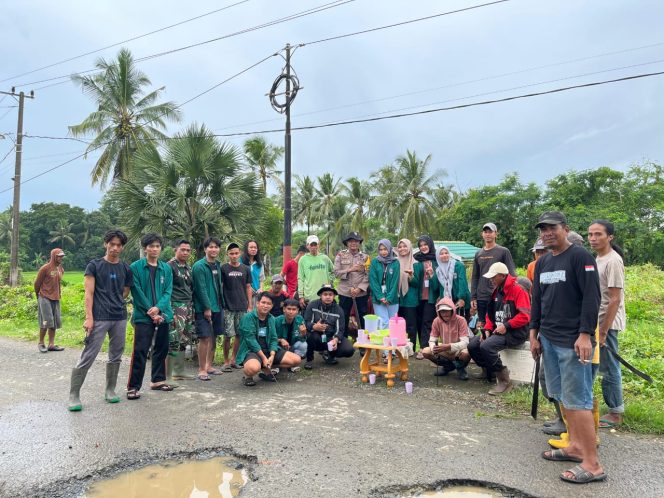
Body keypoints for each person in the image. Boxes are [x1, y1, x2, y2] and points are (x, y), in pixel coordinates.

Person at [529, 211, 605, 484]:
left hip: (573, 342)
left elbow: (591, 298)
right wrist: (534, 334)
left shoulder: (580, 257)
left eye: (552, 228)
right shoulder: (544, 262)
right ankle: (574, 447)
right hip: (548, 339)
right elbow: (538, 300)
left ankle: (593, 464)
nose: (547, 233)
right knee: (562, 396)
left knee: (579, 401)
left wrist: (585, 334)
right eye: (543, 229)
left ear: (565, 229)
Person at [67, 230, 133, 412]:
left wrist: (115, 300)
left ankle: (110, 390)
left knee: (116, 354)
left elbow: (126, 291)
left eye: (119, 245)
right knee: (89, 354)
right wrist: (89, 317)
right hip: (99, 317)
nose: (115, 248)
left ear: (122, 247)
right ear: (106, 244)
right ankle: (74, 395)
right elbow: (88, 293)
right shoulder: (94, 266)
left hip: (119, 317)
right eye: (112, 244)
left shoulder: (126, 268)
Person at [467, 262, 530, 394]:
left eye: (493, 277)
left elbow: (526, 316)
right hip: (498, 331)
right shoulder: (496, 291)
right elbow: (491, 315)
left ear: (502, 276)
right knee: (473, 345)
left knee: (487, 346)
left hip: (515, 332)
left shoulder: (518, 290)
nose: (491, 280)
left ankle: (504, 381)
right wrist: (488, 330)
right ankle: (488, 371)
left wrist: (507, 326)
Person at [126, 233, 174, 400]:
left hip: (163, 314)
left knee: (161, 348)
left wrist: (159, 309)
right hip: (143, 315)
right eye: (151, 246)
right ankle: (133, 386)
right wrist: (150, 309)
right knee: (140, 350)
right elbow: (136, 291)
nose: (154, 249)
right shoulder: (135, 267)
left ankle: (158, 380)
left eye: (157, 246)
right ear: (145, 248)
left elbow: (168, 291)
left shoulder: (166, 268)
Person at [589, 219, 626, 429]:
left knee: (610, 366)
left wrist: (603, 331)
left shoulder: (613, 260)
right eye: (591, 234)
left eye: (598, 234)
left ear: (610, 237)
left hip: (607, 323)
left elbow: (614, 299)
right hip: (597, 321)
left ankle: (615, 411)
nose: (593, 239)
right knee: (599, 365)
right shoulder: (598, 258)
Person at [236, 292, 302, 386]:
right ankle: (248, 376)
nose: (265, 306)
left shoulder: (271, 318)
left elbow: (273, 338)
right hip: (251, 351)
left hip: (267, 349)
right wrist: (263, 358)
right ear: (257, 303)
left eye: (269, 304)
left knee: (296, 360)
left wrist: (272, 355)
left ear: (272, 306)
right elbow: (251, 341)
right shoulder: (248, 318)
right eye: (263, 302)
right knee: (253, 368)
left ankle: (265, 370)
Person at [470, 222, 517, 329]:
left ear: (496, 234)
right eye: (485, 232)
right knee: (483, 326)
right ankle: (484, 344)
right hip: (482, 296)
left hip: (499, 295)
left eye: (490, 232)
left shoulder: (503, 251)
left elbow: (511, 274)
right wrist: (473, 297)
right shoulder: (478, 253)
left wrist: (511, 293)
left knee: (499, 324)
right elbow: (475, 276)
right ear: (482, 234)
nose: (488, 234)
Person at [192, 237, 225, 381]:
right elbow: (201, 288)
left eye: (216, 247)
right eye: (210, 247)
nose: (214, 249)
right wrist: (207, 307)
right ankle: (201, 369)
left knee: (213, 336)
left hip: (217, 306)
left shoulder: (217, 265)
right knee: (204, 337)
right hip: (204, 308)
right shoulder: (199, 266)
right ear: (205, 249)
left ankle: (209, 365)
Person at [303, 284, 354, 369]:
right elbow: (306, 322)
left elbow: (340, 330)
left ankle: (330, 355)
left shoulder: (339, 310)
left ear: (334, 296)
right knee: (310, 335)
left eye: (330, 295)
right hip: (316, 335)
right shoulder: (312, 305)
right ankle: (309, 359)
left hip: (330, 337)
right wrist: (314, 326)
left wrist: (336, 339)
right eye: (325, 294)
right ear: (320, 295)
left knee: (349, 350)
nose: (328, 297)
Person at [166, 240, 196, 384]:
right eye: (182, 249)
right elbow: (166, 289)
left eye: (188, 250)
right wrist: (170, 311)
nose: (185, 252)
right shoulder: (169, 266)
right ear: (175, 250)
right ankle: (168, 375)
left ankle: (179, 371)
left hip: (188, 305)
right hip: (175, 305)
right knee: (173, 338)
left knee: (184, 338)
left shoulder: (188, 267)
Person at [220, 242, 252, 373]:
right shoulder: (223, 268)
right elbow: (220, 286)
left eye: (236, 253)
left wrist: (249, 305)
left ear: (240, 254)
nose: (234, 256)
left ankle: (234, 360)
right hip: (228, 306)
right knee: (228, 335)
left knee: (239, 334)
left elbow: (248, 287)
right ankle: (226, 361)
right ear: (227, 254)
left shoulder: (245, 268)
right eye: (231, 253)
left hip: (242, 306)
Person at [421, 297, 471, 380]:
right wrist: (434, 348)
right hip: (444, 349)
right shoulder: (436, 321)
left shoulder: (461, 320)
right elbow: (432, 340)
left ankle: (460, 368)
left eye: (447, 310)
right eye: (442, 311)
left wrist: (449, 346)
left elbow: (465, 342)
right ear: (438, 312)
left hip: (459, 350)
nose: (444, 313)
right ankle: (448, 367)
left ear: (452, 310)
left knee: (466, 354)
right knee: (426, 351)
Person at [334, 231, 370, 332]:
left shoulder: (365, 257)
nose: (353, 243)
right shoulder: (340, 255)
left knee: (362, 315)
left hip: (360, 292)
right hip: (345, 291)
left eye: (356, 241)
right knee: (343, 315)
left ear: (359, 243)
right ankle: (343, 338)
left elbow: (368, 275)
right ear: (347, 243)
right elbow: (336, 273)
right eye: (350, 241)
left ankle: (363, 340)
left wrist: (359, 289)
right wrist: (350, 269)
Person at [34, 248, 66, 353]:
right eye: (59, 256)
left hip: (56, 298)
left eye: (62, 256)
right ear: (53, 256)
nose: (61, 258)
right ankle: (41, 343)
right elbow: (37, 284)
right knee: (46, 321)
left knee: (54, 322)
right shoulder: (45, 268)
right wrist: (38, 296)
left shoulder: (60, 268)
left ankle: (51, 344)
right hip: (44, 297)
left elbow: (58, 282)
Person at [414, 235, 439, 359]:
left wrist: (431, 274)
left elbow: (437, 285)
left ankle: (425, 348)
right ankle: (429, 347)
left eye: (425, 244)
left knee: (427, 322)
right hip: (419, 297)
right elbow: (415, 281)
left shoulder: (437, 260)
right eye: (421, 245)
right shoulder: (417, 260)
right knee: (420, 322)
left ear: (430, 245)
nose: (423, 247)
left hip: (431, 298)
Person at [369, 239, 400, 328]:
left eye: (385, 249)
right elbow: (373, 280)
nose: (383, 252)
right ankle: (384, 341)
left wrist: (389, 297)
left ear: (390, 249)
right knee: (384, 323)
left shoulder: (395, 263)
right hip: (378, 299)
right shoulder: (375, 262)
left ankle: (392, 341)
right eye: (381, 249)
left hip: (392, 299)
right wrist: (380, 297)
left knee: (393, 323)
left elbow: (395, 282)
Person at [435, 246, 471, 320]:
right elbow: (441, 287)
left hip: (461, 301)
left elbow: (462, 283)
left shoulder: (458, 265)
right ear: (438, 256)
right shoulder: (438, 270)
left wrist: (461, 298)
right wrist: (442, 299)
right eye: (441, 254)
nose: (444, 255)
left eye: (446, 253)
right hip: (447, 302)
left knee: (462, 324)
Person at [297, 235, 334, 308]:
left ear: (318, 245)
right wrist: (301, 296)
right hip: (309, 296)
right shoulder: (303, 260)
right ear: (307, 246)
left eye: (315, 244)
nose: (313, 247)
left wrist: (330, 281)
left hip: (325, 295)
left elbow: (333, 271)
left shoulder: (325, 258)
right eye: (311, 245)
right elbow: (300, 278)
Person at [396, 239, 419, 353]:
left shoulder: (415, 263)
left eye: (405, 246)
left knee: (411, 326)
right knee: (399, 325)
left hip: (411, 299)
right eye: (400, 247)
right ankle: (400, 349)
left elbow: (417, 283)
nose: (402, 249)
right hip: (397, 298)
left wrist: (411, 276)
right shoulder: (395, 262)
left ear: (409, 247)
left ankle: (411, 350)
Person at [275, 299, 308, 364]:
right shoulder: (276, 321)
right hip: (279, 347)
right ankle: (278, 361)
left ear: (297, 310)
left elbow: (302, 339)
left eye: (294, 309)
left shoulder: (300, 319)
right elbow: (270, 338)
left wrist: (303, 334)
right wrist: (280, 340)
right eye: (289, 309)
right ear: (284, 309)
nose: (291, 312)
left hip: (292, 346)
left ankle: (294, 362)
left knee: (304, 345)